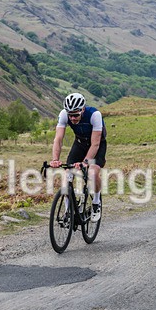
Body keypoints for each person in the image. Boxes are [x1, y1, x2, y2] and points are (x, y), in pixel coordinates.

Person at [51, 92, 106, 222]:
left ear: (82, 109)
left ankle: (96, 203)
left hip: (97, 145)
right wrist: (55, 159)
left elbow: (95, 143)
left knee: (92, 172)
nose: (73, 118)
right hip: (80, 143)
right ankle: (68, 211)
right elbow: (58, 139)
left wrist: (85, 162)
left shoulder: (94, 115)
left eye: (75, 115)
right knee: (67, 174)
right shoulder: (64, 114)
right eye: (70, 115)